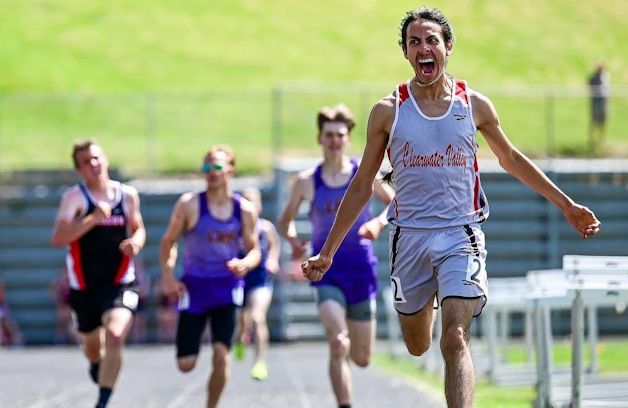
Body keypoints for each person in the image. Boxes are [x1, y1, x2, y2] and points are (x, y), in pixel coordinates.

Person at [302, 7, 601, 408]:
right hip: (409, 238)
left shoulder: (474, 105)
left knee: (455, 337)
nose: (424, 49)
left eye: (431, 41)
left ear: (448, 47)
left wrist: (566, 205)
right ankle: (425, 300)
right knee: (417, 344)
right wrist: (328, 252)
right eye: (414, 42)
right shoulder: (388, 111)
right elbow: (359, 187)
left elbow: (511, 158)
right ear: (406, 53)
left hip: (461, 233)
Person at [279, 104, 394, 408]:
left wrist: (377, 223)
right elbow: (284, 220)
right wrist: (292, 239)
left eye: (340, 135)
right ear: (320, 139)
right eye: (328, 135)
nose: (334, 140)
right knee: (337, 341)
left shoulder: (366, 173)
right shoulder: (306, 181)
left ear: (348, 139)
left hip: (361, 269)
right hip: (325, 271)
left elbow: (395, 204)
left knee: (362, 358)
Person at [160, 145, 261, 408]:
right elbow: (168, 242)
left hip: (227, 288)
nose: (211, 173)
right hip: (194, 288)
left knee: (221, 356)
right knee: (186, 364)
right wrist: (169, 276)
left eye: (217, 167)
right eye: (207, 168)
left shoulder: (244, 210)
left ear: (230, 171)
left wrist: (245, 264)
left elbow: (255, 251)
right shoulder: (189, 204)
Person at [51, 139, 146, 408]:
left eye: (96, 158)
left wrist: (136, 242)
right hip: (84, 288)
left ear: (105, 159)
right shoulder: (75, 198)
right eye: (86, 162)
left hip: (120, 284)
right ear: (79, 170)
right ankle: (96, 363)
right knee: (93, 349)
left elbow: (138, 227)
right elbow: (58, 237)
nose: (93, 165)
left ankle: (102, 403)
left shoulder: (127, 195)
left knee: (116, 335)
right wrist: (92, 219)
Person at [233, 187, 281, 381]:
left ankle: (260, 362)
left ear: (259, 206)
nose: (250, 204)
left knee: (257, 317)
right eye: (246, 200)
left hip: (260, 279)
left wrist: (272, 260)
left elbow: (275, 244)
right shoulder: (234, 227)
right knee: (241, 322)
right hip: (237, 279)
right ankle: (239, 340)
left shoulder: (266, 227)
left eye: (254, 200)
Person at [49, 267, 79, 344]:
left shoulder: (75, 282)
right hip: (63, 306)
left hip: (74, 307)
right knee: (61, 315)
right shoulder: (59, 283)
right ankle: (60, 339)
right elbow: (52, 294)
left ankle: (76, 339)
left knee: (73, 321)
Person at [588, 63, 610, 153]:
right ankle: (591, 142)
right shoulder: (593, 78)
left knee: (602, 123)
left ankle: (602, 143)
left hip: (603, 103)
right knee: (594, 122)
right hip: (596, 103)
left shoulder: (606, 77)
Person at [0, 278, 24, 347]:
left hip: (1, 306)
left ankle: (17, 338)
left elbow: (3, 298)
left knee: (7, 320)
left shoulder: (1, 284)